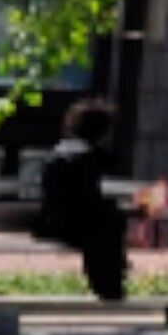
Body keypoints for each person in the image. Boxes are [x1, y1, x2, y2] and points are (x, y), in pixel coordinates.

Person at [36, 99, 133, 303]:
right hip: (72, 225)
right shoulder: (87, 157)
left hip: (53, 220)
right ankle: (111, 288)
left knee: (107, 226)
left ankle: (111, 281)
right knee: (107, 227)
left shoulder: (62, 150)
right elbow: (88, 202)